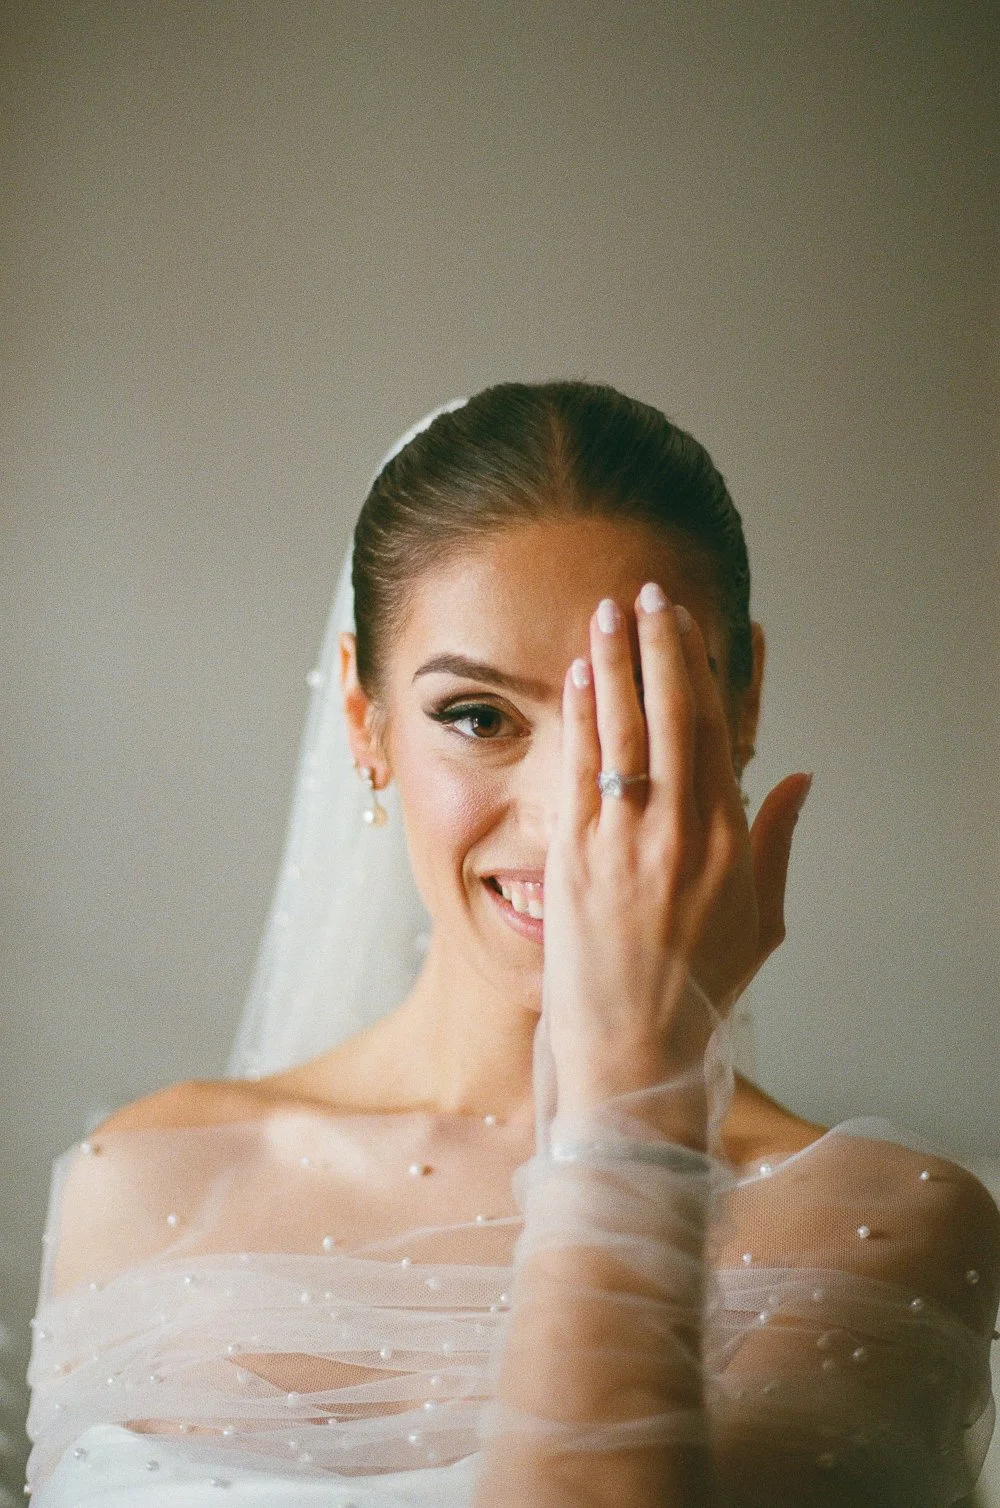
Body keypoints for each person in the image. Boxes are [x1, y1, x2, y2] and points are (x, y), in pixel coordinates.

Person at [25, 382, 999, 1505]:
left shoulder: (891, 1222)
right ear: (362, 716)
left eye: (633, 703)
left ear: (741, 702)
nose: (559, 817)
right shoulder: (137, 1180)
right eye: (480, 717)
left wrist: (634, 1085)